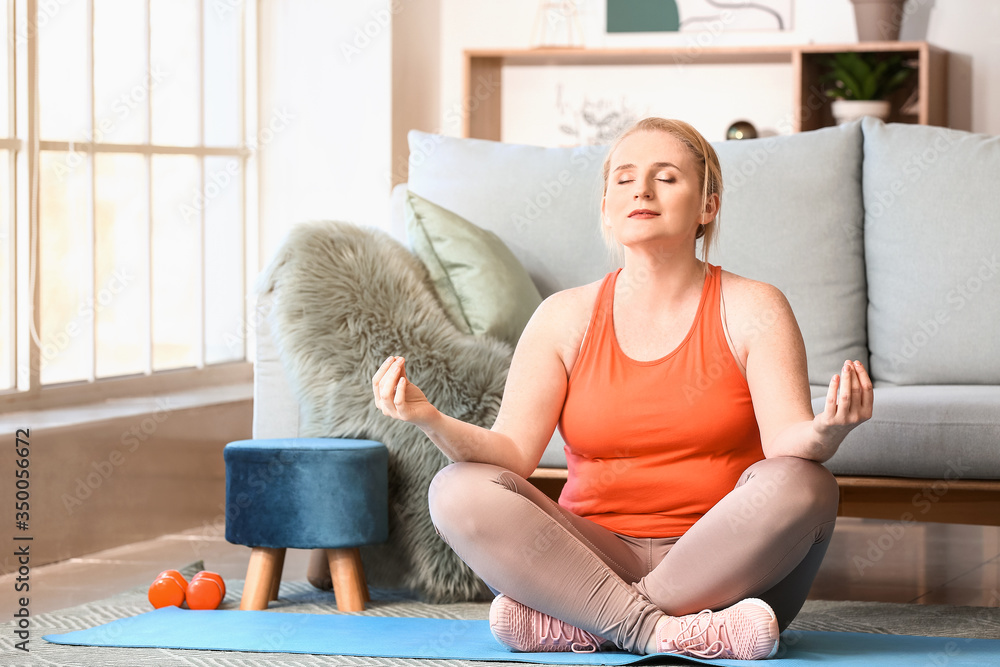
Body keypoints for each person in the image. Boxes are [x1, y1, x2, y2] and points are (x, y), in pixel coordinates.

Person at [371, 117, 873, 660]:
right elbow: (511, 455)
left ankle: (594, 626)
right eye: (625, 178)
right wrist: (431, 419)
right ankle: (664, 634)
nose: (642, 190)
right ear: (607, 205)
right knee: (455, 489)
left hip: (728, 570)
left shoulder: (755, 307)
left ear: (708, 205)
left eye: (667, 177)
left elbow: (786, 445)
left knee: (808, 485)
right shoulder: (562, 317)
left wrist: (827, 431)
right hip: (590, 560)